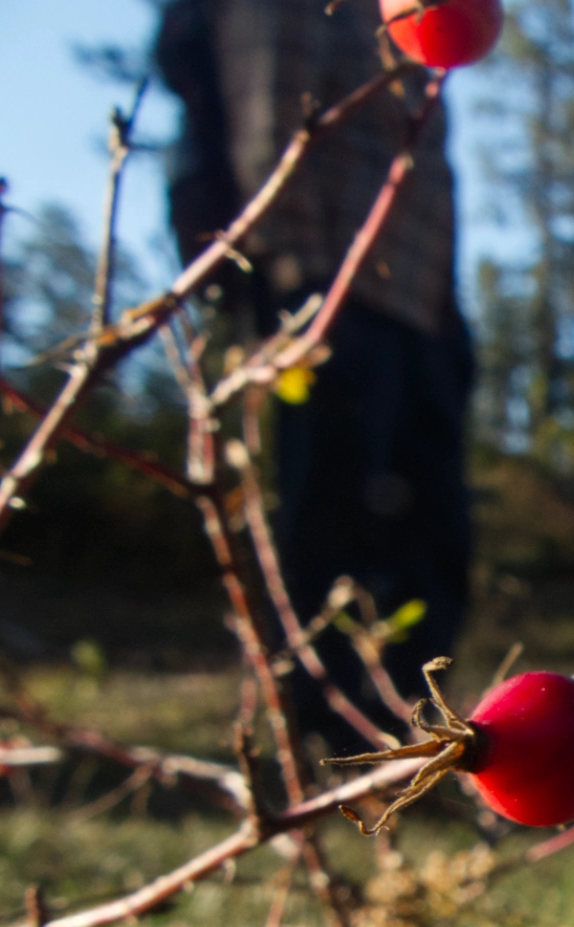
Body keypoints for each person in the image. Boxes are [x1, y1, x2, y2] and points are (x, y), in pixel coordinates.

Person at [155, 0, 474, 749]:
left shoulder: (409, 21)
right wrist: (297, 289)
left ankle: (414, 732)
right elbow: (274, 124)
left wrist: (448, 315)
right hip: (329, 295)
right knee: (329, 518)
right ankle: (323, 734)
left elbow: (430, 177)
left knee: (433, 530)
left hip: (419, 304)